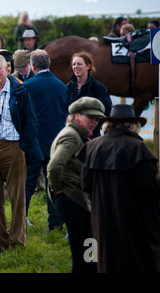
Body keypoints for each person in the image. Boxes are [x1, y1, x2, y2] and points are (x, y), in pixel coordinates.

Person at [78, 104, 160, 273]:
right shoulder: (138, 148)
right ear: (134, 125)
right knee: (137, 263)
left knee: (107, 262)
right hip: (134, 221)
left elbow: (85, 184)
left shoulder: (92, 147)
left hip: (102, 219)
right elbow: (149, 187)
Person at [0, 54, 38, 254]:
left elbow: (31, 120)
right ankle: (1, 243)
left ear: (7, 69)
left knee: (17, 198)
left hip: (14, 148)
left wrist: (23, 147)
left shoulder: (20, 90)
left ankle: (18, 241)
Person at [47, 96, 105, 273]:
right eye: (90, 117)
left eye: (97, 118)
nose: (94, 122)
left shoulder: (76, 134)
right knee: (85, 254)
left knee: (87, 251)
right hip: (72, 200)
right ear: (77, 116)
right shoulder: (72, 136)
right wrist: (58, 191)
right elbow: (54, 166)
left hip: (76, 199)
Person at [24, 49, 66, 229]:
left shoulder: (28, 86)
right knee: (53, 183)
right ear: (48, 64)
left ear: (32, 65)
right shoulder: (62, 86)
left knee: (27, 184)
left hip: (34, 143)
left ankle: (20, 220)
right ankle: (55, 223)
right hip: (56, 143)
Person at [66, 51, 112, 139]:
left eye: (79, 64)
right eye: (73, 64)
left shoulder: (98, 87)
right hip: (72, 135)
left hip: (92, 136)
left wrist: (92, 126)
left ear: (88, 66)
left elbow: (107, 111)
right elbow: (63, 111)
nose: (76, 67)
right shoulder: (67, 88)